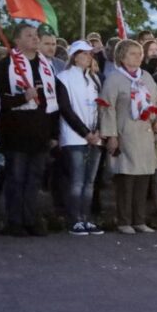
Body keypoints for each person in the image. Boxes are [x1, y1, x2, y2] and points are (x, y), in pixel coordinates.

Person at [0, 22, 59, 237]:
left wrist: (53, 133)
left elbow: (53, 101)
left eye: (35, 35)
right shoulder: (4, 67)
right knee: (16, 178)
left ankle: (30, 218)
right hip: (16, 133)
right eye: (29, 35)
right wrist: (23, 96)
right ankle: (14, 220)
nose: (34, 38)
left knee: (34, 180)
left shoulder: (46, 66)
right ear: (17, 41)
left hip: (40, 132)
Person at [100, 39, 157, 234]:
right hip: (125, 132)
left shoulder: (146, 77)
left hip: (145, 133)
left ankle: (139, 219)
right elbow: (106, 107)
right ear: (121, 56)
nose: (138, 57)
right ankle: (124, 220)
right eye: (132, 54)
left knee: (143, 178)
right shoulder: (114, 79)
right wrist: (111, 135)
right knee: (127, 178)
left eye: (139, 53)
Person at [55, 40, 104, 235]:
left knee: (90, 181)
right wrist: (85, 132)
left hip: (95, 137)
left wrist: (98, 130)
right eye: (83, 53)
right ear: (75, 56)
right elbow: (66, 109)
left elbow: (101, 106)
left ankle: (86, 218)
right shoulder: (63, 77)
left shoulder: (95, 78)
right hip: (75, 137)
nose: (88, 57)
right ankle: (75, 219)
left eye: (90, 54)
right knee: (77, 181)